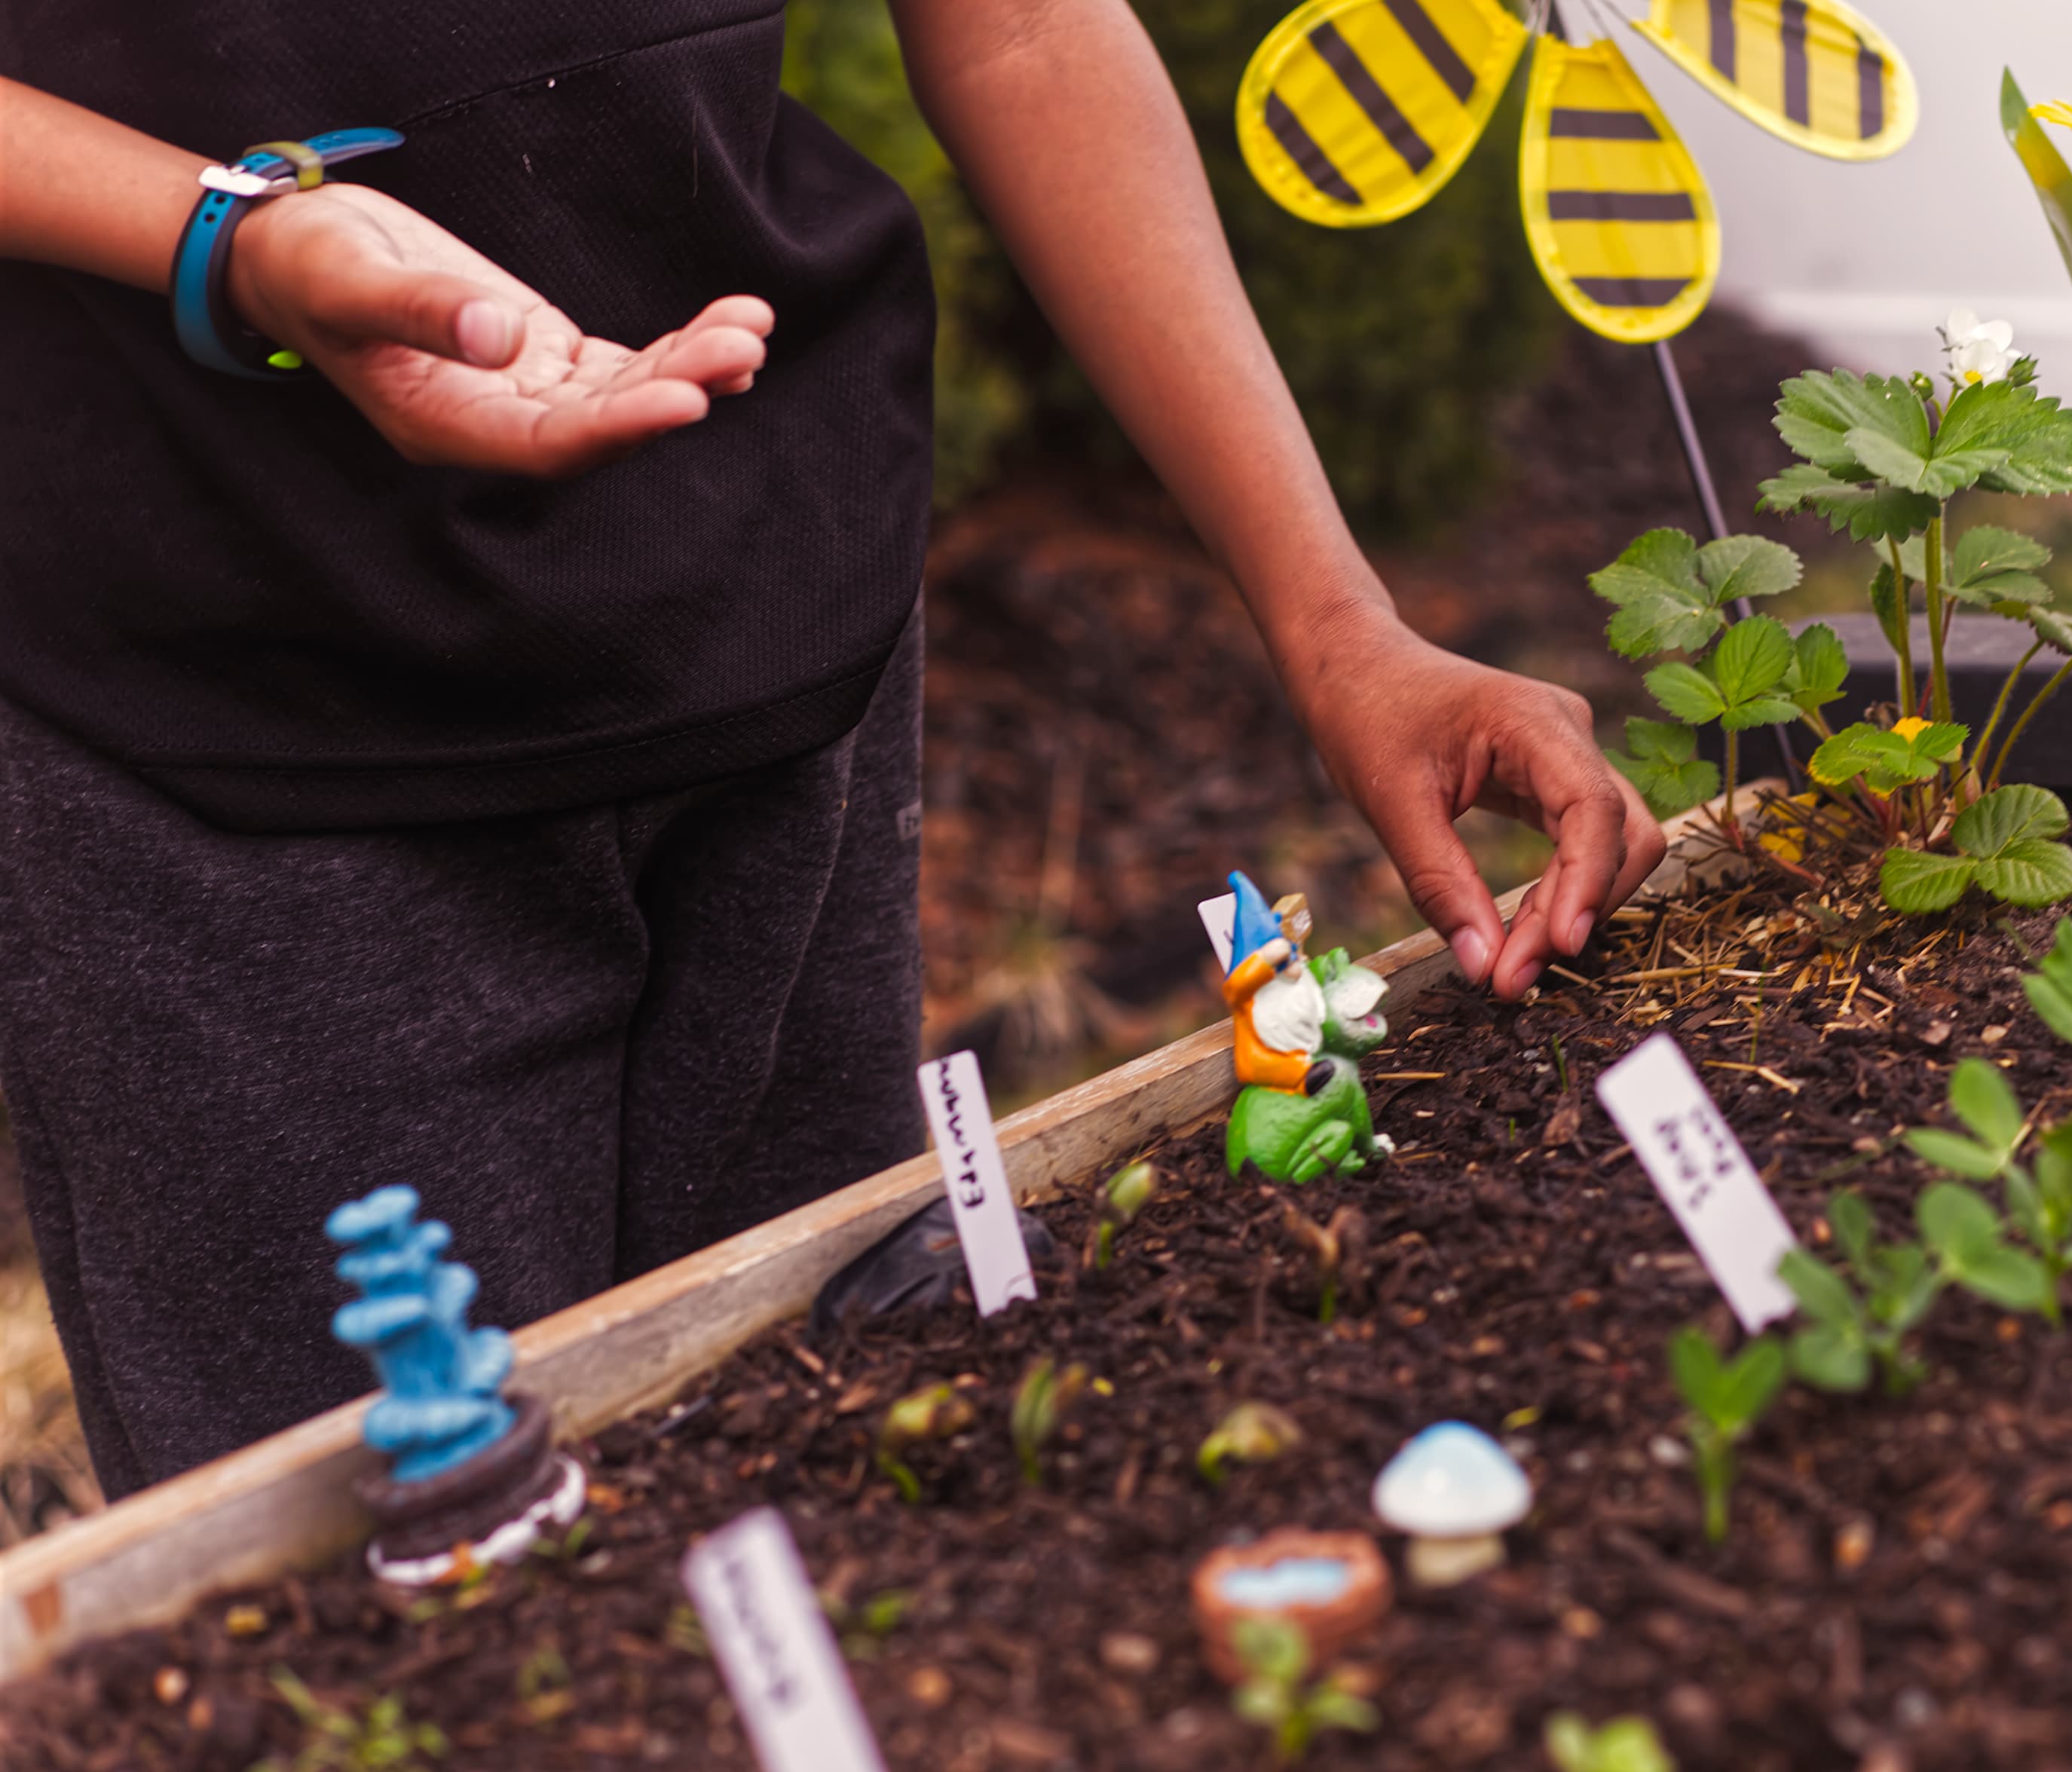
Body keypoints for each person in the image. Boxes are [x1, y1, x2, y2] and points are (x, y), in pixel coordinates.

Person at [0, 0, 1667, 1498]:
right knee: (415, 1610)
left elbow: (1020, 28)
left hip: (779, 628)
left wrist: (1338, 629)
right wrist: (225, 236)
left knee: (841, 1485)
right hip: (223, 714)